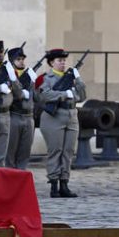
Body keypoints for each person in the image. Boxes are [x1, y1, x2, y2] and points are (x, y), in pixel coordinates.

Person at [37, 48, 86, 198]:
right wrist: (64, 94)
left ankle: (64, 183)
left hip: (71, 115)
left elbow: (82, 96)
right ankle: (53, 184)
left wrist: (78, 80)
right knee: (55, 151)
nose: (63, 63)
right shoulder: (46, 78)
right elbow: (44, 96)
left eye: (64, 60)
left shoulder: (71, 77)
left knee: (68, 151)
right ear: (52, 62)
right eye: (59, 60)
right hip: (54, 117)